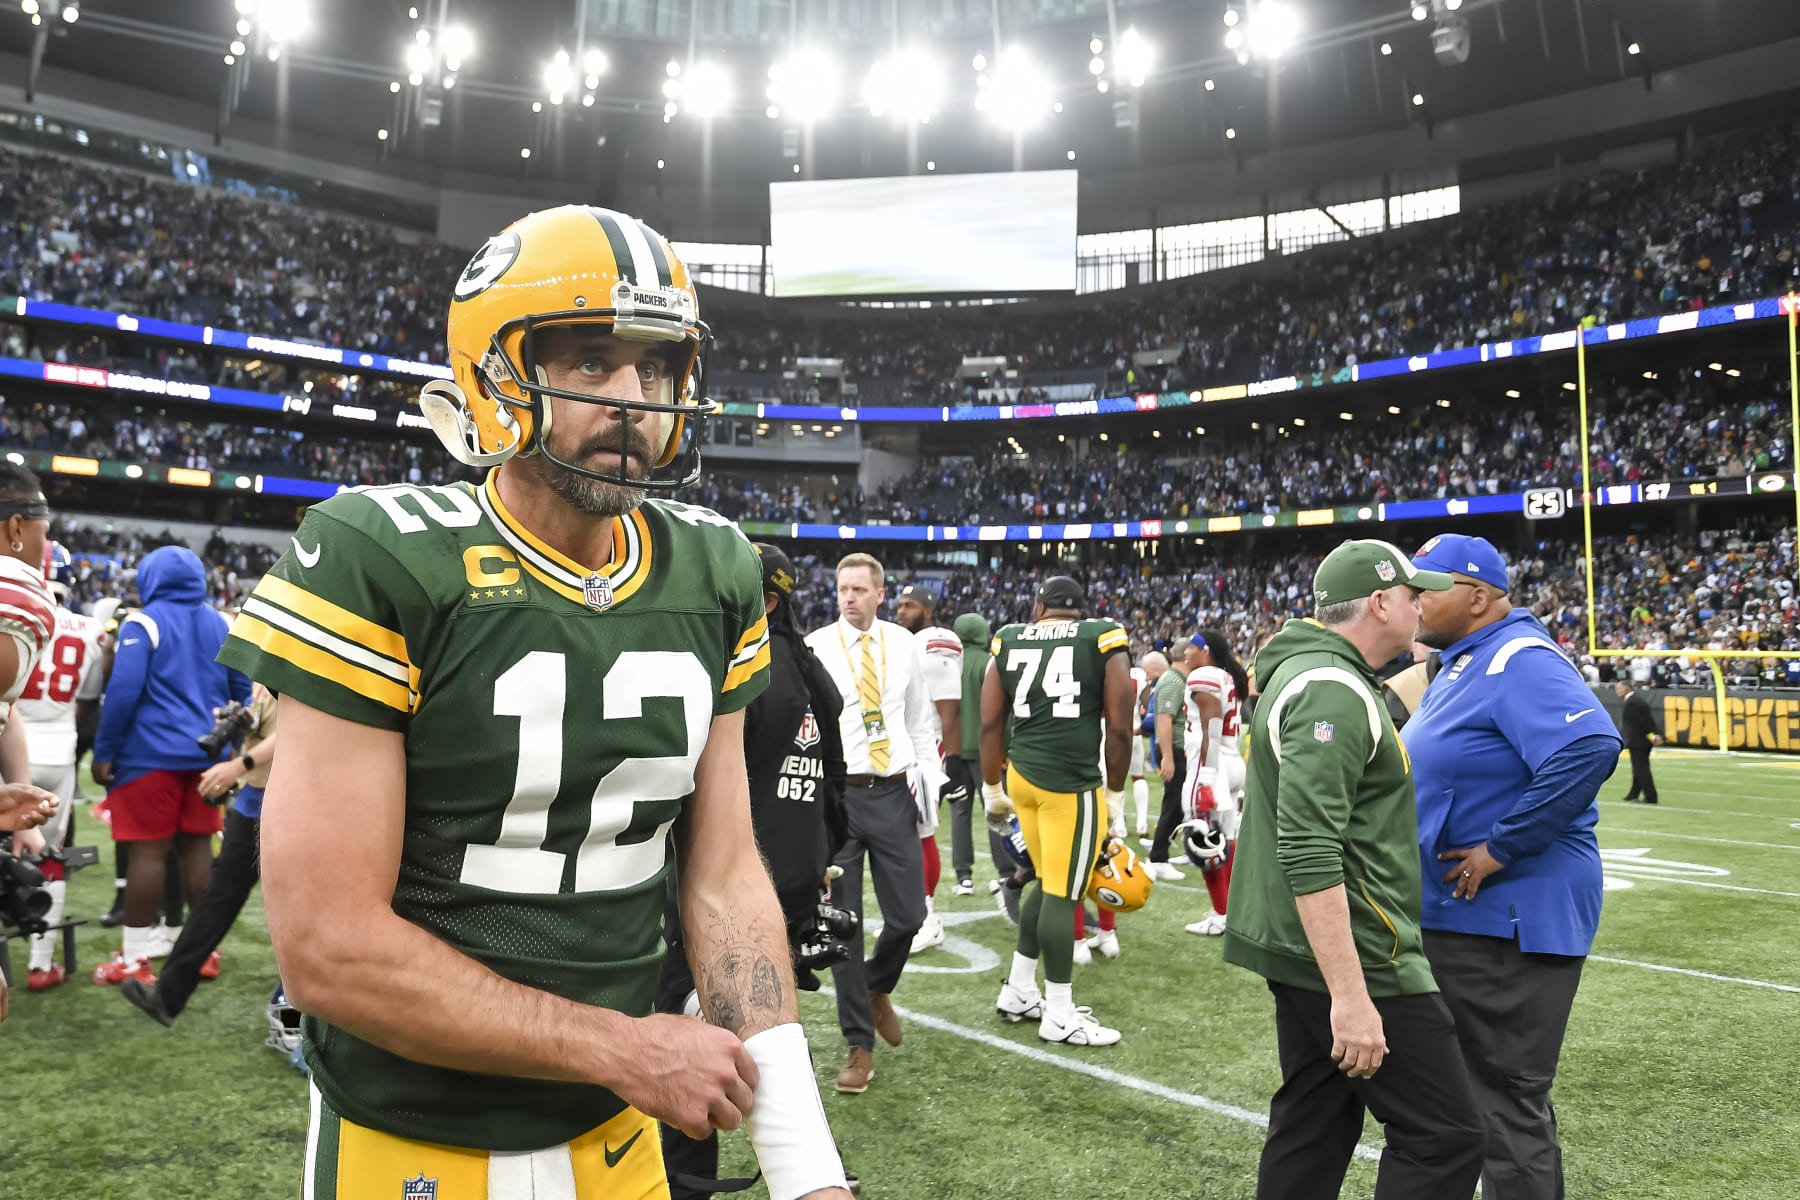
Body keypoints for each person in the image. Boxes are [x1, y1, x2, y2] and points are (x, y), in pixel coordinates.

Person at [220, 206, 851, 1199]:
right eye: (592, 363)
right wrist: (621, 1047)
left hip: (617, 1141)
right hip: (418, 1145)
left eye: (655, 368)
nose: (633, 401)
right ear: (494, 373)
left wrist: (804, 1163)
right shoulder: (379, 557)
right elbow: (327, 950)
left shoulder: (714, 569)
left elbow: (725, 874)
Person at [1223, 538, 1485, 1199]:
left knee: (1316, 1120)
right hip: (1358, 949)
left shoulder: (1314, 672)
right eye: (1410, 593)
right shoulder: (1332, 689)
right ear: (1378, 602)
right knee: (1444, 1134)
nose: (1420, 604)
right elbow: (1311, 845)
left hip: (1304, 941)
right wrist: (1351, 995)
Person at [1405, 533, 1622, 1200]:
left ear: (1475, 597)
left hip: (1509, 917)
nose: (1413, 602)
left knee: (1503, 1104)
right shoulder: (1466, 660)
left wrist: (1502, 846)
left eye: (1426, 588)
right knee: (1471, 1105)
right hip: (1471, 917)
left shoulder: (1518, 657)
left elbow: (1589, 745)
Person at [659, 542, 857, 1199]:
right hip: (794, 878)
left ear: (761, 600)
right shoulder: (816, 673)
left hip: (735, 882)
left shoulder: (737, 672)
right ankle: (803, 1164)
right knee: (757, 1023)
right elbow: (836, 781)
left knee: (687, 1020)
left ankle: (693, 1176)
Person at [804, 552, 944, 1095]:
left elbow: (919, 721)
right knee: (844, 925)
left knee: (909, 915)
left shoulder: (906, 645)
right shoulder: (816, 646)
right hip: (838, 797)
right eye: (843, 589)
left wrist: (929, 785)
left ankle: (874, 986)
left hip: (892, 791)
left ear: (880, 594)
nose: (849, 598)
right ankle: (858, 1046)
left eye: (859, 590)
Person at [983, 575, 1135, 1046]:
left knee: (1048, 884)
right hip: (1068, 783)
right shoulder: (1102, 634)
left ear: (1039, 607)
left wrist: (991, 786)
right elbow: (1122, 723)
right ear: (1079, 609)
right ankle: (1061, 1012)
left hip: (1021, 776)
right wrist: (1114, 794)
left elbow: (989, 719)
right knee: (1064, 893)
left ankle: (1020, 990)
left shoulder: (1008, 638)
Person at [90, 545, 250, 986]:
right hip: (206, 760)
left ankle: (134, 960)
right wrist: (230, 746)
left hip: (149, 756)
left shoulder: (143, 620)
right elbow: (243, 693)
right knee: (198, 851)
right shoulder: (221, 622)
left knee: (149, 853)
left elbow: (122, 692)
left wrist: (104, 753)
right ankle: (201, 952)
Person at [119, 680, 279, 1025]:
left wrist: (240, 765)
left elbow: (298, 732)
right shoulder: (265, 655)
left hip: (288, 801)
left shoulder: (295, 647)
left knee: (297, 909)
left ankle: (305, 1008)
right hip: (255, 800)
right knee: (216, 897)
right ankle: (167, 996)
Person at [12, 541, 107, 991]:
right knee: (51, 858)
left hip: (6, 744)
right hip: (57, 751)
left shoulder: (11, 610)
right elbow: (88, 702)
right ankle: (40, 962)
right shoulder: (90, 629)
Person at [892, 583, 964, 954]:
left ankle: (928, 918)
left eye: (910, 605)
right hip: (903, 744)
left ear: (929, 609)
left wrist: (949, 767)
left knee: (922, 833)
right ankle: (916, 915)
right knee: (907, 835)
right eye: (900, 604)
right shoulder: (903, 641)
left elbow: (948, 709)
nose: (902, 610)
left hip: (926, 748)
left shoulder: (936, 640)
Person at [1179, 629, 1249, 938]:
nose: (1185, 652)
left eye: (1191, 648)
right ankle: (1231, 910)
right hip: (1231, 761)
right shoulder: (1226, 675)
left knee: (1202, 840)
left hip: (1212, 763)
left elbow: (1212, 724)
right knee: (1226, 838)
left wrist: (1206, 775)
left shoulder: (1204, 675)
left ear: (1205, 651)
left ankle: (1221, 914)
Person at [951, 611, 992, 895]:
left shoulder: (947, 662)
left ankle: (963, 876)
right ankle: (1005, 873)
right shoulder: (989, 663)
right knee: (996, 812)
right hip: (985, 749)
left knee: (959, 813)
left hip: (953, 750)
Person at [1145, 637, 1192, 881]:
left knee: (1178, 803)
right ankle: (1157, 856)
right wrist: (1167, 758)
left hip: (1175, 748)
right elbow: (1164, 719)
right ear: (1186, 655)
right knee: (1173, 803)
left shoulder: (1177, 679)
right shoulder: (1173, 681)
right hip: (1173, 748)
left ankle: (1162, 847)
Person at [1615, 681, 1662, 803]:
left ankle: (1651, 796)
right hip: (1639, 740)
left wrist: (1653, 735)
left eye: (1618, 689)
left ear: (1626, 689)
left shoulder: (1633, 702)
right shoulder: (1634, 700)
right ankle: (1634, 793)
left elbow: (1643, 722)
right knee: (1638, 769)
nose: (1617, 691)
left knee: (1641, 769)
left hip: (1639, 740)